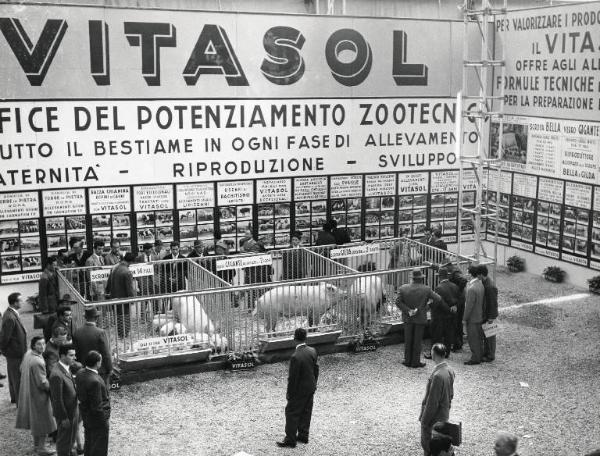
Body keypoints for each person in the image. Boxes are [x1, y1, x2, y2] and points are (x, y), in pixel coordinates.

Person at [276, 328, 319, 448]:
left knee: (291, 412)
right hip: (310, 387)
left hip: (299, 390)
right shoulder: (312, 351)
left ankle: (290, 439)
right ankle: (303, 436)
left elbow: (293, 379)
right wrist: (314, 383)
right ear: (306, 338)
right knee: (306, 411)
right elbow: (316, 369)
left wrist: (289, 394)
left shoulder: (295, 356)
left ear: (294, 339)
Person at [16, 336, 57, 456]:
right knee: (44, 420)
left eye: (44, 344)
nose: (42, 346)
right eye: (39, 344)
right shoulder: (38, 361)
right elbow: (42, 383)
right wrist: (54, 388)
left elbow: (20, 368)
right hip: (39, 395)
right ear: (33, 345)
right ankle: (42, 448)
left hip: (29, 391)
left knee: (36, 420)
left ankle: (36, 446)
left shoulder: (28, 354)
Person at [395, 269, 442, 368]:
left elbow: (398, 302)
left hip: (408, 318)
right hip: (420, 318)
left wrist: (408, 310)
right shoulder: (426, 289)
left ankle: (407, 360)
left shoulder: (403, 288)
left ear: (412, 278)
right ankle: (415, 362)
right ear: (421, 279)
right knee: (417, 341)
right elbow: (438, 299)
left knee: (408, 340)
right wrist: (428, 307)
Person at [419, 343, 455, 456]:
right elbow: (451, 393)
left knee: (429, 446)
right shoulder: (450, 370)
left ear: (433, 354)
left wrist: (425, 420)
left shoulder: (438, 376)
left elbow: (432, 402)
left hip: (435, 416)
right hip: (444, 412)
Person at [76, 351, 111, 456]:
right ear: (97, 363)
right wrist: (104, 420)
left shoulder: (80, 373)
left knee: (90, 443)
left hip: (87, 416)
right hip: (97, 420)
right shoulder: (94, 381)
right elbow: (97, 406)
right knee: (99, 447)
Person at [49, 344, 79, 456]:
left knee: (71, 438)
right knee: (64, 442)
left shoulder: (65, 367)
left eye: (74, 355)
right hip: (66, 414)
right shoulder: (56, 374)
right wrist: (63, 418)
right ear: (62, 356)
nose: (74, 358)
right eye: (71, 355)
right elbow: (57, 399)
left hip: (73, 410)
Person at [72, 307, 113, 387]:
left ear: (85, 318)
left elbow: (76, 353)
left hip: (83, 369)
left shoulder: (77, 333)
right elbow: (106, 353)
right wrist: (110, 368)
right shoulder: (100, 332)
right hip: (99, 370)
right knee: (103, 392)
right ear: (96, 318)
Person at [0, 292, 28, 404]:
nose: (22, 302)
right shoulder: (10, 317)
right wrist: (5, 350)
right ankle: (20, 403)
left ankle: (15, 398)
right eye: (20, 300)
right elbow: (4, 338)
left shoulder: (12, 314)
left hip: (15, 352)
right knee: (17, 378)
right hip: (15, 353)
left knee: (13, 377)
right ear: (15, 302)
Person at [427, 268, 459, 358]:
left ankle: (434, 353)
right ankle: (446, 352)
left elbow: (436, 302)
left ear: (439, 277)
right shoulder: (455, 286)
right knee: (448, 335)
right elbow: (458, 299)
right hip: (451, 315)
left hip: (439, 316)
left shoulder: (439, 288)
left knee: (436, 336)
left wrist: (429, 306)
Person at [105, 252, 136, 338]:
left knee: (118, 316)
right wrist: (132, 299)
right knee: (125, 316)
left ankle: (120, 334)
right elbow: (129, 288)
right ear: (132, 262)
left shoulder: (115, 268)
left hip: (114, 296)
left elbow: (109, 282)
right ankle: (124, 334)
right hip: (123, 298)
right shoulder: (127, 272)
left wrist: (108, 293)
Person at [463, 265, 485, 365]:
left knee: (472, 338)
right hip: (479, 315)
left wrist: (464, 318)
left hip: (472, 317)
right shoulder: (480, 284)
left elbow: (469, 306)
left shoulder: (471, 288)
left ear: (471, 274)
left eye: (467, 273)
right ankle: (479, 355)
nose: (466, 274)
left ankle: (475, 358)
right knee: (478, 338)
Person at [479, 265, 499, 362]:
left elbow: (493, 303)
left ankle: (490, 355)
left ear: (481, 275)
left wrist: (491, 317)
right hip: (487, 314)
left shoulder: (490, 286)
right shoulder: (487, 283)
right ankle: (487, 353)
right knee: (487, 336)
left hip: (490, 315)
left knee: (490, 336)